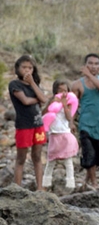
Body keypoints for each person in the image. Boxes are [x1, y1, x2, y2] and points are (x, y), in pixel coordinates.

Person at [8, 55, 47, 189]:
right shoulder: (14, 84)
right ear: (18, 69)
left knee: (37, 156)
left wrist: (32, 83)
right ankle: (17, 189)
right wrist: (37, 99)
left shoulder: (34, 84)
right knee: (21, 159)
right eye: (24, 67)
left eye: (30, 68)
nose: (27, 70)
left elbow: (44, 98)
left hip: (38, 125)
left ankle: (40, 188)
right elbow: (25, 101)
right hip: (24, 126)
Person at [72, 54, 99, 190]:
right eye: (90, 63)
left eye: (96, 64)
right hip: (85, 123)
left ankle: (86, 182)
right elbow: (73, 106)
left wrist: (89, 75)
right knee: (89, 152)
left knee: (98, 155)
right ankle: (94, 183)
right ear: (85, 65)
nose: (93, 66)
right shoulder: (77, 84)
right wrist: (70, 123)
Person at [41, 81, 79, 190]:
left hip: (65, 134)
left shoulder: (69, 103)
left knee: (68, 161)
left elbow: (69, 117)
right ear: (55, 91)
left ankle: (70, 183)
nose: (63, 93)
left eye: (65, 90)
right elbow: (43, 114)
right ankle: (46, 182)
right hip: (54, 135)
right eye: (60, 90)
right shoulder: (53, 102)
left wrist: (65, 104)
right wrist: (50, 103)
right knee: (51, 160)